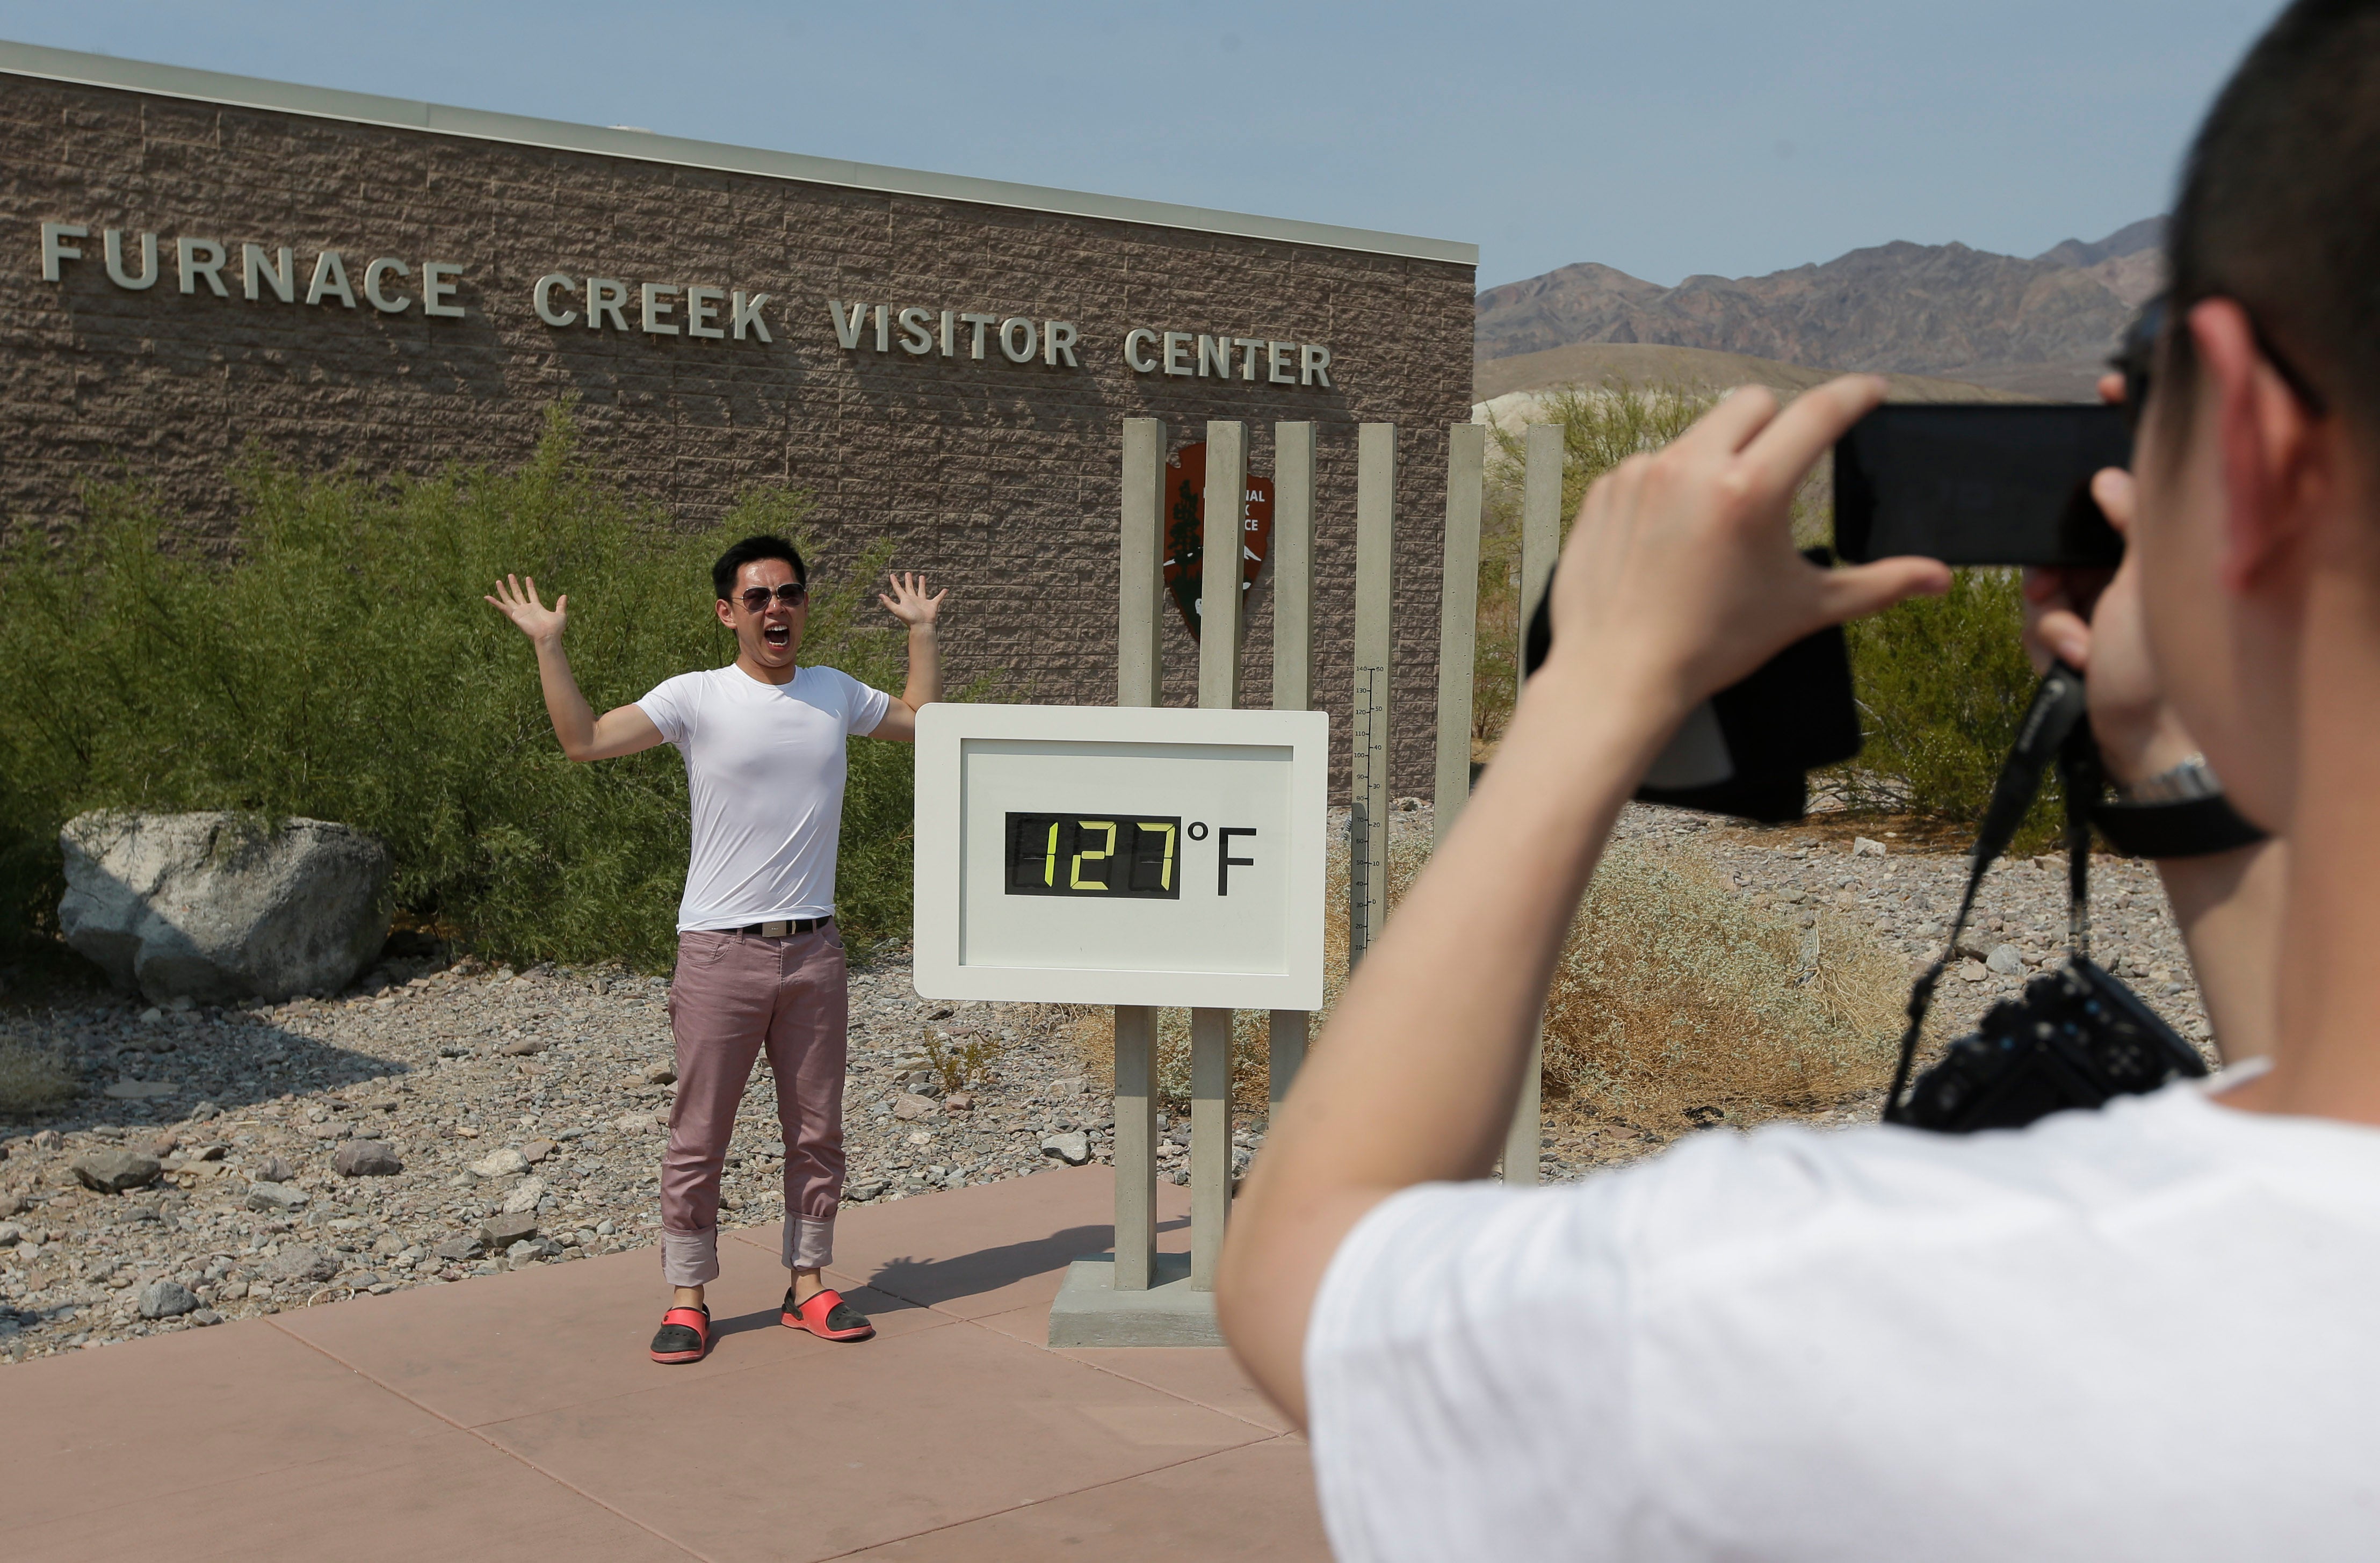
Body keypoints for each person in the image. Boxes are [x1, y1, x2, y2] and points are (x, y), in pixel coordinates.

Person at [1218, 3, 2380, 1556]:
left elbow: (1312, 1259)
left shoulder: (1856, 1312)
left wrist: (1599, 688)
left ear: (2248, 439)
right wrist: (2160, 762)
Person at [487, 536, 944, 1363]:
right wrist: (550, 647)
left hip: (815, 950)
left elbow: (920, 725)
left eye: (791, 594)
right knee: (700, 1133)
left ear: (805, 607)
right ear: (727, 612)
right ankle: (689, 1294)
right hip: (718, 953)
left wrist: (920, 633)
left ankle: (808, 1283)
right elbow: (584, 740)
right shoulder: (695, 697)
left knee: (816, 1130)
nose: (778, 608)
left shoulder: (835, 693)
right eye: (760, 596)